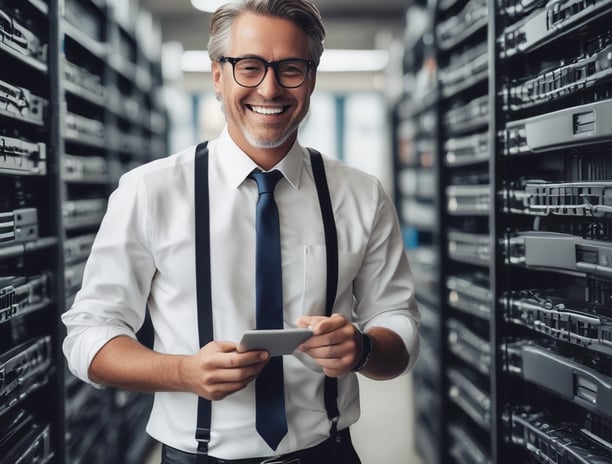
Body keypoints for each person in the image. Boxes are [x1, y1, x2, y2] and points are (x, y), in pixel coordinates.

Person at [61, 1, 420, 463]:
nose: (269, 88)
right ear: (217, 76)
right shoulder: (149, 192)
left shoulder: (362, 195)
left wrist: (364, 347)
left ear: (310, 77)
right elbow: (88, 335)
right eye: (249, 67)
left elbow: (399, 322)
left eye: (290, 68)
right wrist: (183, 372)